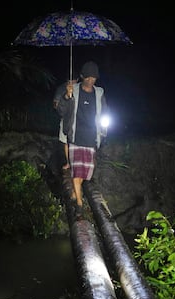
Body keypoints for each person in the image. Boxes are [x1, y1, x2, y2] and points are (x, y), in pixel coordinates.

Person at [55, 61, 108, 218]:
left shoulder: (99, 93)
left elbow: (104, 111)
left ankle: (76, 194)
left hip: (92, 137)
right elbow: (61, 111)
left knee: (87, 173)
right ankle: (79, 203)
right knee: (77, 172)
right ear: (82, 76)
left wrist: (104, 130)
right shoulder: (74, 90)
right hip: (76, 136)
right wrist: (66, 96)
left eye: (94, 78)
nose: (91, 80)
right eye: (89, 77)